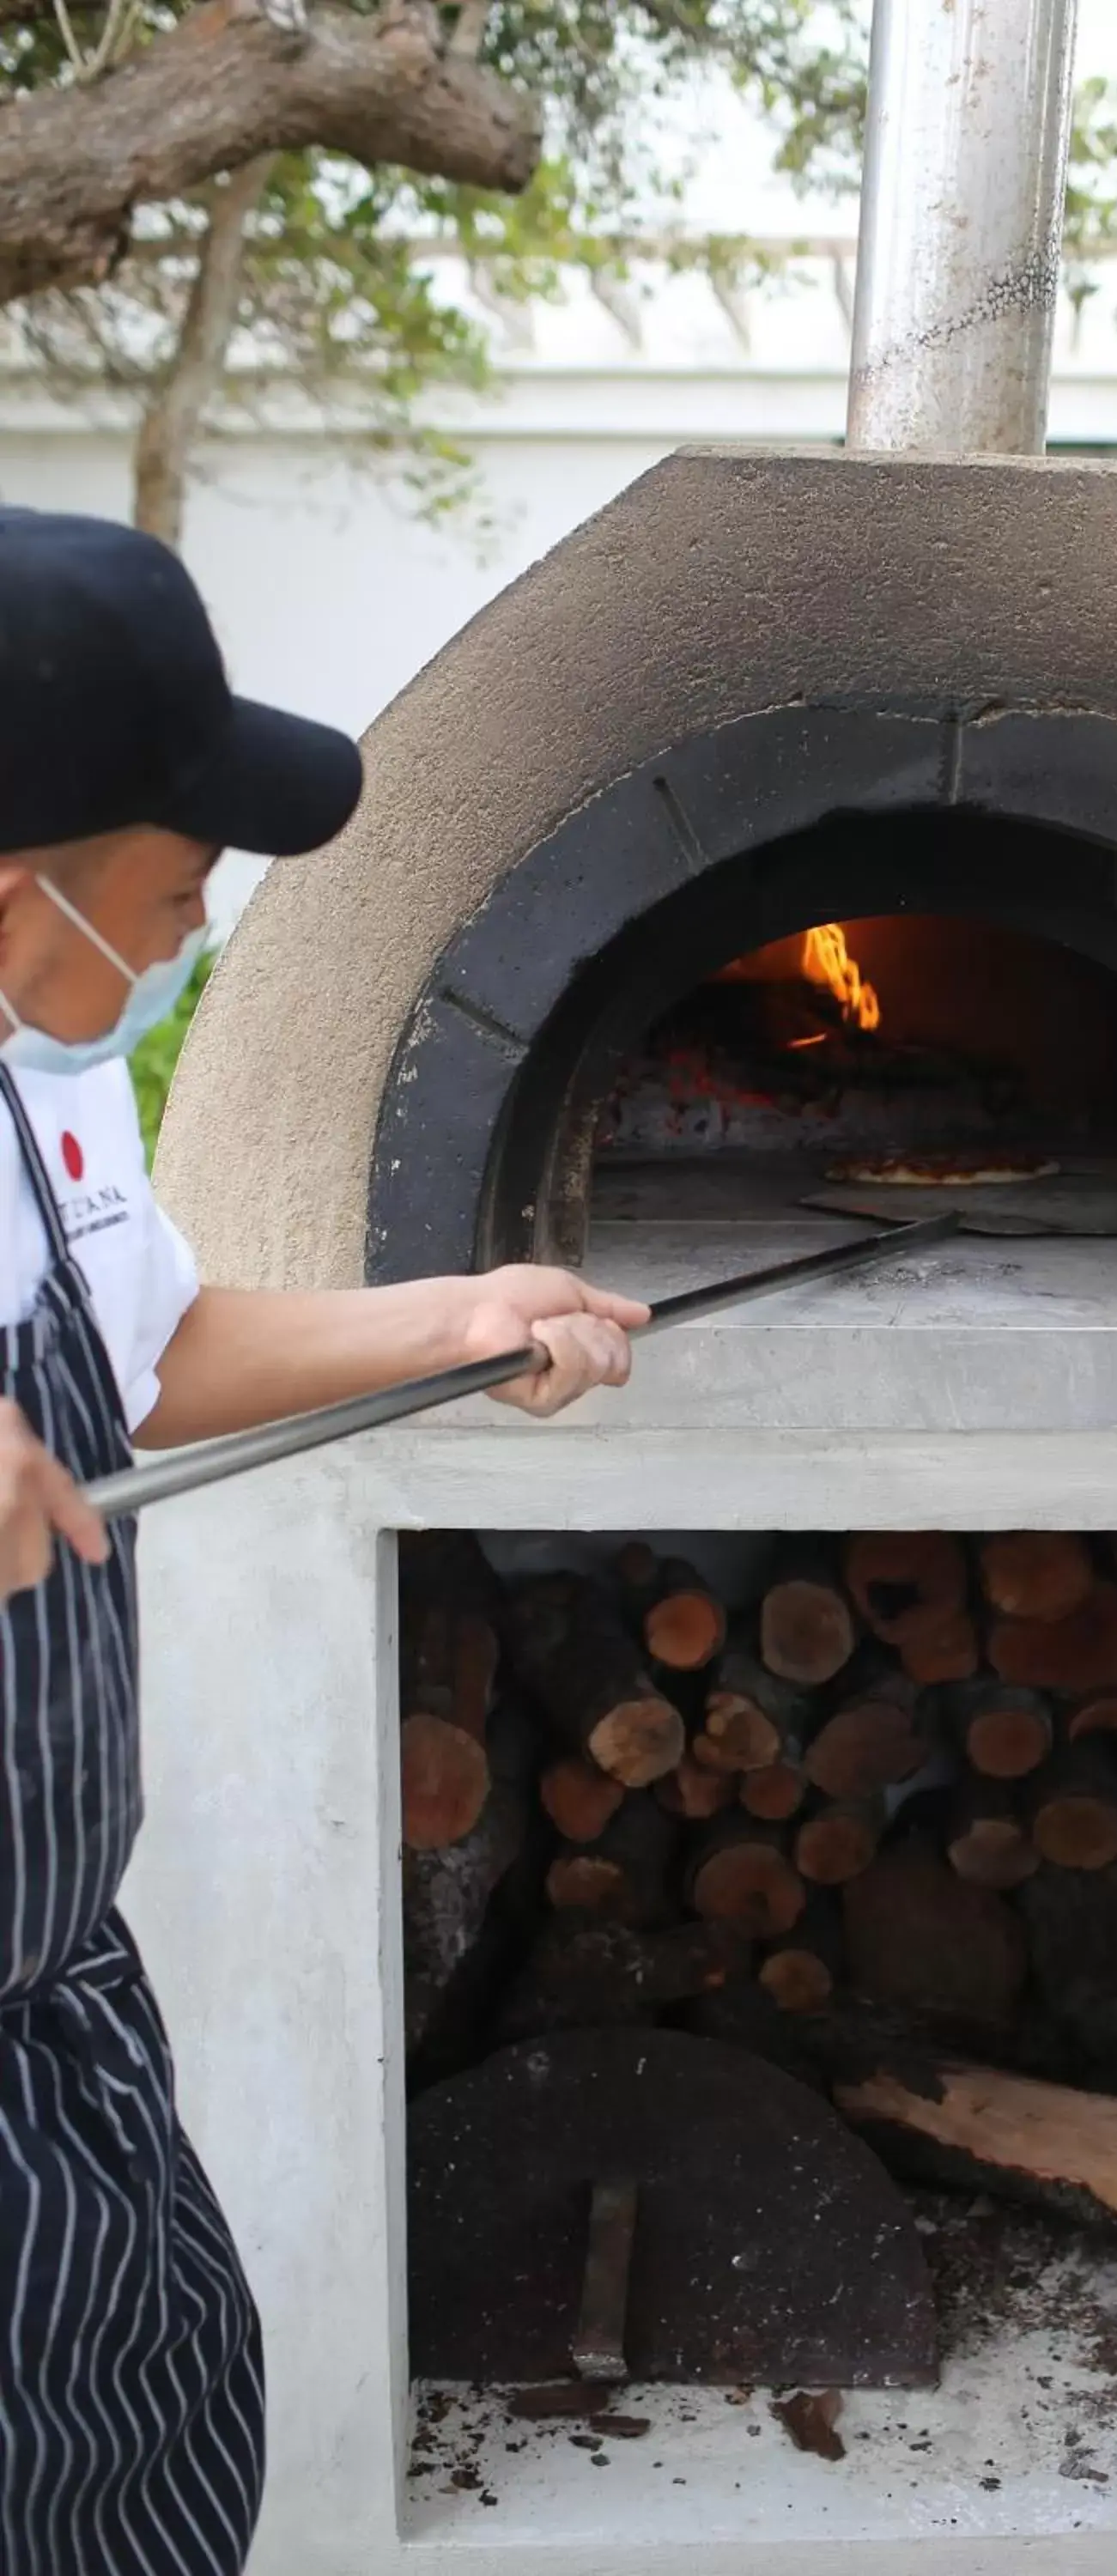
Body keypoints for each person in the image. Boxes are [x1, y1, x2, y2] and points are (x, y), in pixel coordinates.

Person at [0, 506, 648, 2575]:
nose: (196, 919)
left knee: (146, 2466)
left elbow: (151, 1349)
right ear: (22, 889)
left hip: (51, 2016)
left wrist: (456, 1319)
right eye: (173, 880)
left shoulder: (48, 1073)